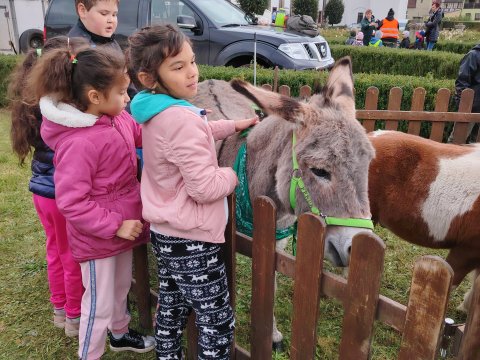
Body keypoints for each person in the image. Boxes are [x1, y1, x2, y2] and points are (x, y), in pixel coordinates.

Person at [126, 24, 258, 359]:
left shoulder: (155, 110)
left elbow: (192, 134)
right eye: (178, 67)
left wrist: (231, 126)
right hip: (192, 241)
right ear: (149, 78)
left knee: (172, 306)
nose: (192, 73)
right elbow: (203, 187)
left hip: (166, 232)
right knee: (217, 321)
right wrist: (231, 175)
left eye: (192, 61)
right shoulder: (181, 119)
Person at [28, 45, 155, 359]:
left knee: (120, 290)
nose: (129, 98)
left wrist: (195, 125)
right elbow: (72, 203)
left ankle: (121, 334)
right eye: (123, 91)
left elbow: (150, 136)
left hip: (124, 231)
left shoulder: (119, 120)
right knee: (96, 305)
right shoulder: (79, 143)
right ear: (96, 97)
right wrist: (115, 225)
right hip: (99, 238)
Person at [9, 36, 87, 339]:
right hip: (60, 195)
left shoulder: (39, 104)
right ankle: (74, 317)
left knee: (55, 250)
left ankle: (59, 308)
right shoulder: (66, 112)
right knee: (71, 256)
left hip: (42, 192)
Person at [448, 43, 480, 143]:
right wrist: (463, 104)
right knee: (457, 141)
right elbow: (462, 81)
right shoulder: (474, 55)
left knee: (476, 144)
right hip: (472, 106)